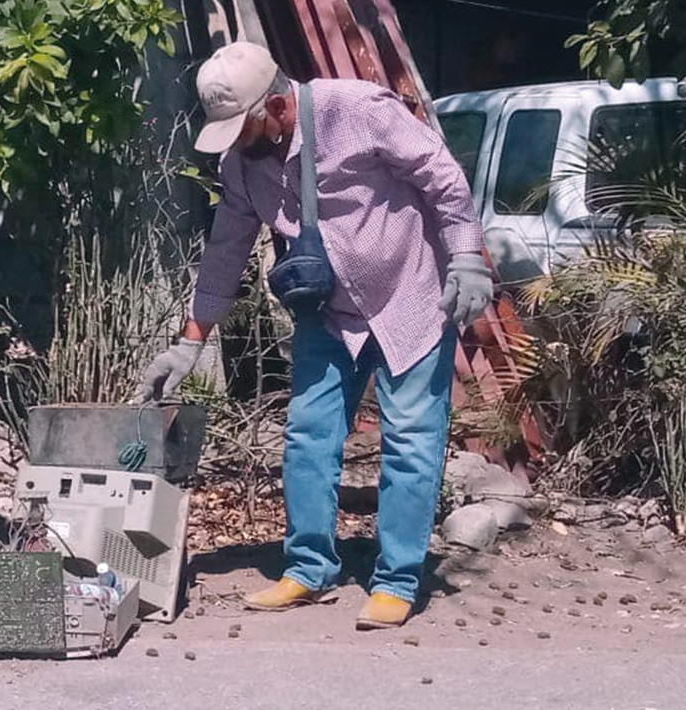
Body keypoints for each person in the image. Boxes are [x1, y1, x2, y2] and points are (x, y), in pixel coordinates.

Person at [136, 42, 491, 630]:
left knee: (409, 444)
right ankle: (308, 569)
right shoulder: (242, 162)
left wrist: (466, 258)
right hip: (328, 315)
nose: (236, 143)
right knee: (306, 437)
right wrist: (190, 341)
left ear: (276, 105)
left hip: (411, 300)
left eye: (242, 126)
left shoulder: (358, 109)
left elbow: (442, 177)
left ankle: (398, 579)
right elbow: (225, 250)